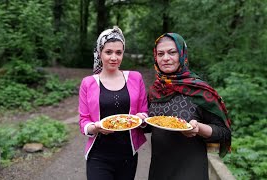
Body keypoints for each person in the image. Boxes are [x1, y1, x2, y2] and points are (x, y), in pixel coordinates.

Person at [146, 33, 232, 180]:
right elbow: (151, 125)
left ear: (182, 54)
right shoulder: (155, 90)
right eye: (160, 54)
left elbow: (224, 132)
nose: (165, 58)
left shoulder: (200, 90)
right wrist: (141, 120)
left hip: (190, 170)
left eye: (172, 52)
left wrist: (199, 128)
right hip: (159, 169)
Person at [78, 26, 148, 180]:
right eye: (108, 52)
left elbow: (144, 112)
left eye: (119, 52)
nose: (114, 57)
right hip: (98, 156)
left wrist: (142, 118)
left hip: (128, 155)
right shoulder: (88, 83)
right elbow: (83, 122)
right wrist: (96, 127)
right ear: (99, 53)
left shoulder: (136, 78)